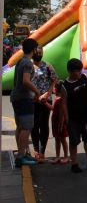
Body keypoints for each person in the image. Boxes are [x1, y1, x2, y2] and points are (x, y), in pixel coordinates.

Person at [60, 58, 87, 173]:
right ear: (70, 71)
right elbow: (63, 103)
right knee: (74, 141)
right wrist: (66, 118)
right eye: (75, 71)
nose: (78, 73)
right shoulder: (65, 85)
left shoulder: (86, 77)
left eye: (79, 70)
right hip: (73, 117)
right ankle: (74, 163)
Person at [10, 38, 42, 167]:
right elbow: (26, 81)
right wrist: (37, 92)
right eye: (37, 49)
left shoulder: (20, 61)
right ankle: (21, 156)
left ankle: (21, 153)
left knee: (20, 126)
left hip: (16, 97)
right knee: (27, 127)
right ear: (33, 50)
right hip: (24, 98)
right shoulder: (28, 63)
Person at [30, 46, 57, 162]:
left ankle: (42, 151)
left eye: (40, 52)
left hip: (45, 100)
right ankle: (36, 149)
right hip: (32, 100)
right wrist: (34, 96)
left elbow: (54, 79)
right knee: (34, 125)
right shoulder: (28, 66)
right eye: (36, 52)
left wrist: (48, 93)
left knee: (44, 125)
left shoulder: (47, 65)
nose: (38, 54)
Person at [50, 81, 69, 165]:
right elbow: (53, 109)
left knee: (62, 139)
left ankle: (66, 156)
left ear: (57, 89)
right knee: (57, 139)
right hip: (55, 122)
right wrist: (45, 103)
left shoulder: (60, 100)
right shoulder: (57, 99)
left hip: (59, 122)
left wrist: (61, 124)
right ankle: (57, 156)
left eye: (54, 87)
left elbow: (62, 113)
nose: (53, 89)